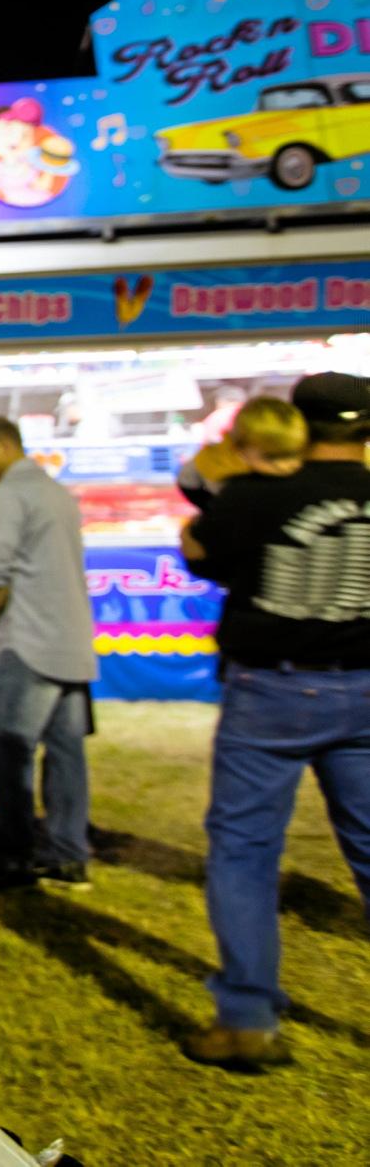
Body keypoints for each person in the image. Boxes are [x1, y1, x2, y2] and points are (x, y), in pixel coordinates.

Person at [177, 371, 370, 1071]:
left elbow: (202, 554)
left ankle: (248, 1019)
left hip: (272, 690)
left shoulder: (257, 495)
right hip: (366, 683)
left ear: (301, 424)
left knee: (245, 851)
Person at [0, 414, 98, 892]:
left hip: (27, 640)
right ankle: (67, 851)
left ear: (0, 448)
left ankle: (11, 853)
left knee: (9, 752)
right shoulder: (56, 492)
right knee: (65, 753)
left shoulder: (7, 496)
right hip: (70, 640)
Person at [177, 396, 308, 511]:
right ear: (241, 448)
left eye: (294, 454)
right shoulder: (216, 462)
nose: (288, 465)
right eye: (271, 457)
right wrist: (212, 508)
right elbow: (187, 480)